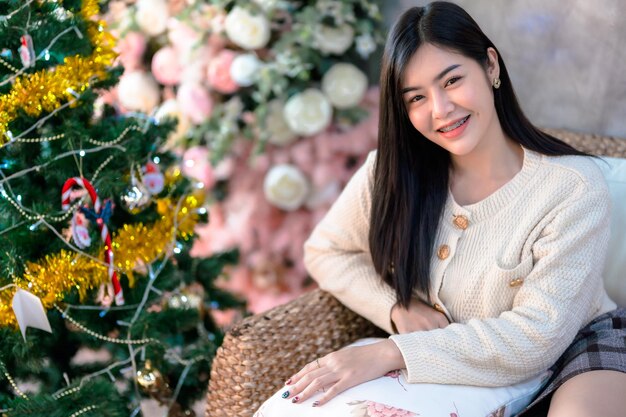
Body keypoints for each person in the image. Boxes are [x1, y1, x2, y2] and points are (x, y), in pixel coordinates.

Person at [255, 2, 626, 416]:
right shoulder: (390, 172)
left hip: (573, 347)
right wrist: (395, 309)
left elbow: (536, 337)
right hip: (449, 361)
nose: (440, 110)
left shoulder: (572, 187)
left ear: (490, 66)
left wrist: (391, 351)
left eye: (451, 81)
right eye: (416, 97)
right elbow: (327, 251)